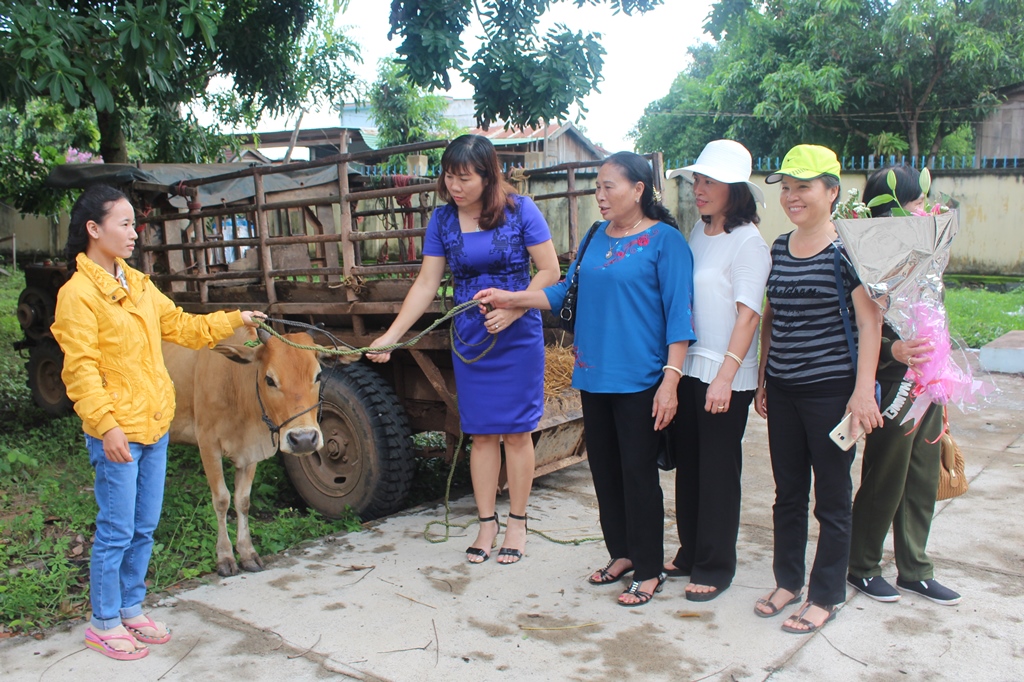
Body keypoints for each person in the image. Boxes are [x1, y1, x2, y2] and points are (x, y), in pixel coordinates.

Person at [50, 185, 264, 660]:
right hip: (119, 432)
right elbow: (80, 370)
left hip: (155, 425)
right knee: (116, 529)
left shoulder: (138, 285)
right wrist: (106, 426)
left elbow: (185, 328)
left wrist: (235, 318)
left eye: (133, 224)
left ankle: (131, 608)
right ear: (94, 229)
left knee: (144, 526)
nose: (134, 233)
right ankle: (103, 622)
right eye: (124, 224)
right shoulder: (78, 295)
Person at [476, 152, 695, 606]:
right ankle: (623, 554)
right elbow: (562, 293)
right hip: (592, 376)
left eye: (609, 186)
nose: (600, 195)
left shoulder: (665, 241)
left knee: (638, 475)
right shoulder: (596, 235)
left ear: (639, 190)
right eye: (597, 187)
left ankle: (651, 569)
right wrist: (511, 297)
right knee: (605, 473)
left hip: (640, 379)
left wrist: (671, 381)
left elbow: (680, 317)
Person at [367, 134, 559, 565]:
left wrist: (513, 307)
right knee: (482, 432)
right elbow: (426, 284)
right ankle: (487, 522)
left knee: (517, 431)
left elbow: (550, 271)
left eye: (464, 177)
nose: (454, 186)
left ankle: (519, 522)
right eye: (449, 176)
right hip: (471, 334)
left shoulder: (520, 211)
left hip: (517, 330)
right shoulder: (443, 220)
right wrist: (393, 336)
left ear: (488, 175)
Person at [752, 145, 883, 633]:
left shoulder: (847, 251)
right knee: (787, 493)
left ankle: (826, 593)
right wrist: (766, 375)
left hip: (831, 392)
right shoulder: (780, 248)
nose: (792, 196)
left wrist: (862, 393)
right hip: (783, 390)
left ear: (832, 191)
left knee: (831, 497)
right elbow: (772, 316)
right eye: (786, 188)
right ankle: (788, 581)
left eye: (803, 187)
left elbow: (871, 324)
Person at [847, 164, 962, 605]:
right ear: (888, 206)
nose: (922, 209)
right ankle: (862, 565)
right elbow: (858, 322)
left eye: (922, 201)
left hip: (929, 378)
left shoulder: (926, 251)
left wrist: (942, 371)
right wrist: (892, 352)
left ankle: (915, 568)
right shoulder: (863, 254)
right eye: (915, 201)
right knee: (887, 472)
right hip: (893, 378)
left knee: (922, 473)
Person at [662, 140, 771, 601]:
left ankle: (716, 563)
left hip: (726, 373)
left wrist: (725, 377)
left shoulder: (748, 242)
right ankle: (691, 550)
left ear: (735, 189)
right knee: (689, 466)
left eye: (710, 182)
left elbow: (749, 315)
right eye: (698, 180)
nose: (700, 189)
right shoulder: (696, 234)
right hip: (690, 367)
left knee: (718, 469)